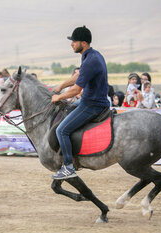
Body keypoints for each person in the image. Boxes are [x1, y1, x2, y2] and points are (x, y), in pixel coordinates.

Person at [51, 26, 110, 179]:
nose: (72, 44)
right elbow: (77, 76)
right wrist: (60, 86)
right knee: (65, 111)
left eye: (74, 41)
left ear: (83, 43)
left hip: (92, 104)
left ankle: (69, 166)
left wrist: (59, 97)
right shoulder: (89, 56)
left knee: (61, 130)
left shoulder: (91, 59)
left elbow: (77, 89)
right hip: (88, 101)